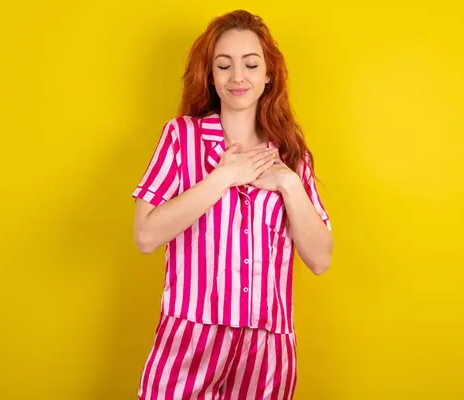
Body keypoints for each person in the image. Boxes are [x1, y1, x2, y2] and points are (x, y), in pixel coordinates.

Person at [131, 9, 333, 400]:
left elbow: (321, 259)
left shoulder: (292, 156)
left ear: (268, 74)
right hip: (190, 337)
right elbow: (145, 235)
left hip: (267, 346)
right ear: (210, 76)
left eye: (251, 64)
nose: (237, 77)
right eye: (224, 66)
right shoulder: (181, 138)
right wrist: (225, 176)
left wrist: (289, 184)